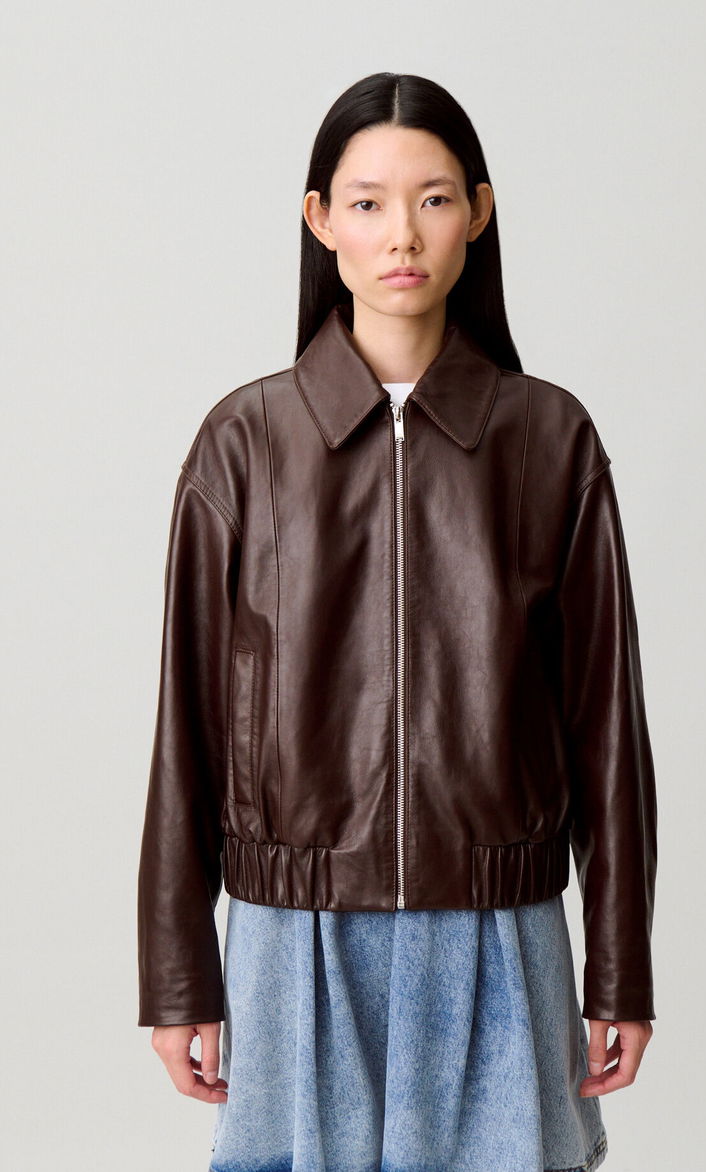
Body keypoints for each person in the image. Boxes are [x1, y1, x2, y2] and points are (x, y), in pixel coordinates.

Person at [137, 72, 657, 1172]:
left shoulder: (550, 440)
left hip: (498, 925)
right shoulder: (243, 444)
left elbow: (606, 727)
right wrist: (180, 974)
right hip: (294, 935)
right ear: (320, 219)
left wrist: (619, 969)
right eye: (367, 202)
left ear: (478, 211)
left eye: (432, 199)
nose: (402, 234)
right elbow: (187, 724)